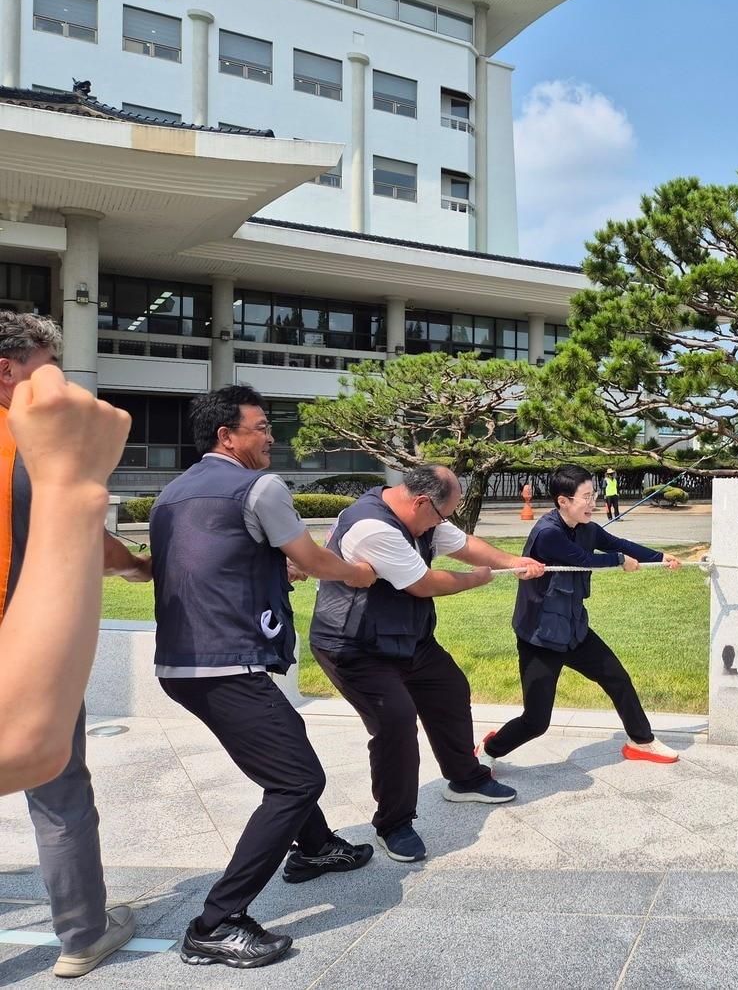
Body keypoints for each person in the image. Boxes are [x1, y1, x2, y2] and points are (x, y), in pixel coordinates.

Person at [150, 384, 379, 969]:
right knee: (296, 780)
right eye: (260, 427)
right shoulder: (260, 486)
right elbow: (313, 557)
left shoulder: (171, 494)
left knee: (287, 743)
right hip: (227, 660)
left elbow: (212, 559)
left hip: (182, 662)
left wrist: (269, 570)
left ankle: (319, 847)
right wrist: (357, 574)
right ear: (228, 436)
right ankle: (216, 922)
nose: (271, 436)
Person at [0, 315, 149, 978]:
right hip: (31, 654)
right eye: (48, 366)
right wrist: (141, 567)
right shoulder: (29, 451)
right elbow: (85, 544)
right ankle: (83, 933)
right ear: (11, 369)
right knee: (58, 791)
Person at [308, 465, 545, 864]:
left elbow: (464, 544)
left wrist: (512, 561)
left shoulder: (424, 519)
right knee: (396, 724)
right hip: (354, 646)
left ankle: (465, 778)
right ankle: (393, 823)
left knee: (449, 689)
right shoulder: (373, 527)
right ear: (421, 501)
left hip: (407, 638)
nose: (443, 522)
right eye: (441, 514)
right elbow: (423, 582)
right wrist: (481, 578)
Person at [478, 463, 682, 772]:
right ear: (564, 501)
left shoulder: (586, 529)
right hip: (540, 637)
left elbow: (618, 544)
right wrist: (618, 562)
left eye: (595, 494)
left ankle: (641, 741)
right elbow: (584, 560)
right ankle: (488, 748)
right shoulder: (547, 533)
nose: (594, 502)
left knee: (618, 679)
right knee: (536, 721)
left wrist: (659, 557)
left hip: (575, 631)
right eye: (586, 497)